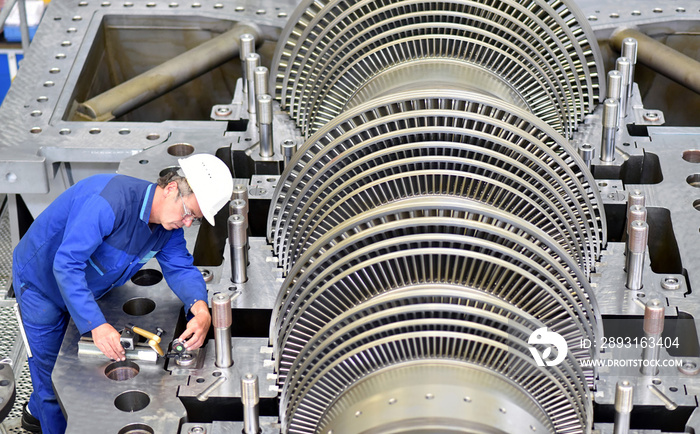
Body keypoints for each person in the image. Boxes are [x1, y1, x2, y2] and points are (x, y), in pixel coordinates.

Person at [11, 153, 233, 434]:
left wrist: (201, 309)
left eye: (196, 219)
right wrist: (96, 325)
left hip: (89, 286)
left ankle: (34, 413)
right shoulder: (109, 203)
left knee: (78, 367)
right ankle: (46, 418)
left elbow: (180, 268)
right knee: (54, 380)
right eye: (189, 213)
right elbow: (66, 264)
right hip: (40, 286)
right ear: (172, 188)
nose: (188, 224)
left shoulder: (168, 228)